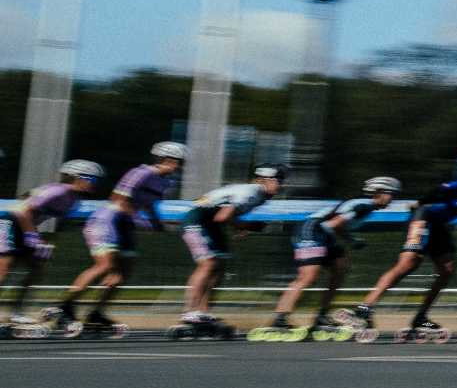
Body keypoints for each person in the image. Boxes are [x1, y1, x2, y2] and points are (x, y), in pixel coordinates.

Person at [346, 153, 457, 340]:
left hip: (439, 225)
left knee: (447, 270)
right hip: (423, 217)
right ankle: (366, 307)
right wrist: (419, 203)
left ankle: (421, 317)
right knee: (408, 263)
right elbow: (440, 189)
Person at [49, 142, 184, 338]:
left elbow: (150, 206)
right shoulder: (140, 173)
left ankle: (96, 313)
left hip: (126, 225)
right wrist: (138, 219)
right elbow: (117, 198)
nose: (181, 167)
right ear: (168, 160)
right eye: (180, 162)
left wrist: (158, 226)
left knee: (121, 275)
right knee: (104, 266)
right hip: (109, 220)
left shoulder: (166, 182)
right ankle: (64, 305)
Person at [260, 178, 401, 340]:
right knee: (308, 276)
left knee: (340, 268)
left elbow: (334, 225)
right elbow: (332, 225)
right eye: (392, 194)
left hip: (322, 233)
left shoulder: (365, 205)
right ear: (378, 192)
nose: (393, 199)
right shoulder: (364, 205)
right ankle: (280, 319)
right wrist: (349, 240)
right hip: (311, 231)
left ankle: (321, 316)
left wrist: (351, 241)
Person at [173, 163, 285, 338]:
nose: (281, 185)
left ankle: (203, 312)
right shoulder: (253, 192)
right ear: (266, 180)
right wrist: (247, 225)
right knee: (207, 264)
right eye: (279, 181)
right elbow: (222, 216)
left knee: (220, 265)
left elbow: (223, 214)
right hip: (197, 220)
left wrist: (241, 227)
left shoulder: (258, 193)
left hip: (208, 221)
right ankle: (190, 312)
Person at [0, 160, 102, 334]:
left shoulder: (74, 200)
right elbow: (22, 211)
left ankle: (16, 312)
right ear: (76, 178)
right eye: (91, 180)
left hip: (26, 227)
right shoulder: (57, 191)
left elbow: (55, 224)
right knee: (4, 267)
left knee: (36, 269)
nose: (94, 184)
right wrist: (32, 236)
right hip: (9, 221)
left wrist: (47, 242)